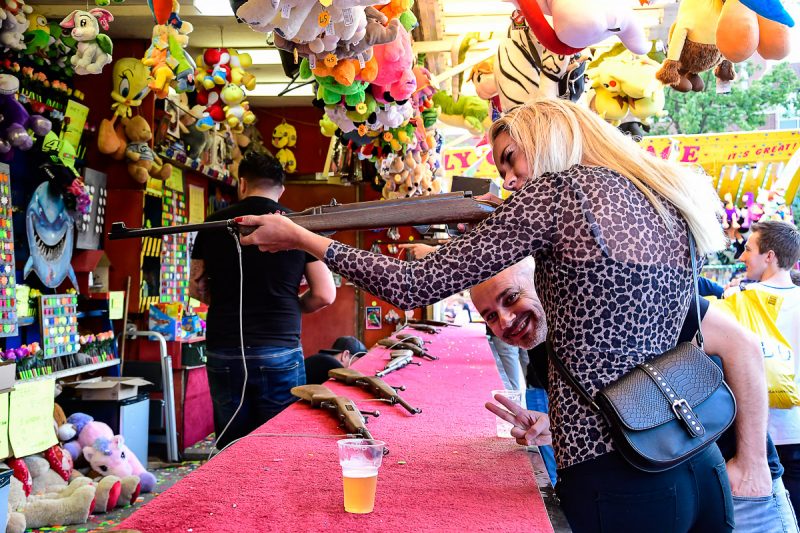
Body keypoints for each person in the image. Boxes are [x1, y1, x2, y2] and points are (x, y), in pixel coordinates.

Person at [239, 98, 769, 531]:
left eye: (512, 159)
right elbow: (634, 350)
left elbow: (413, 284)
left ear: (550, 137)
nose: (511, 181)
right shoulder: (663, 200)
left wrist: (302, 238)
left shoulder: (558, 194)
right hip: (693, 457)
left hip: (620, 476)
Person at [479, 259, 795, 532]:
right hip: (664, 489)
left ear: (542, 280)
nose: (505, 320)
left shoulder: (620, 290)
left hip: (737, 477)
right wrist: (560, 426)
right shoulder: (541, 345)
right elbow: (620, 407)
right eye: (490, 316)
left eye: (511, 298)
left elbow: (743, 346)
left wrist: (752, 464)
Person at [190, 153, 336, 448]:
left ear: (242, 183)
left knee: (231, 445)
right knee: (279, 445)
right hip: (279, 347)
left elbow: (196, 288)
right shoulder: (298, 226)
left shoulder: (213, 224)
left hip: (225, 346)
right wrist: (293, 306)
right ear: (281, 190)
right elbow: (324, 293)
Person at [736, 220, 800, 515]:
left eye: (749, 249)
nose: (742, 256)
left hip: (758, 434)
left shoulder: (739, 302)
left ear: (770, 256)